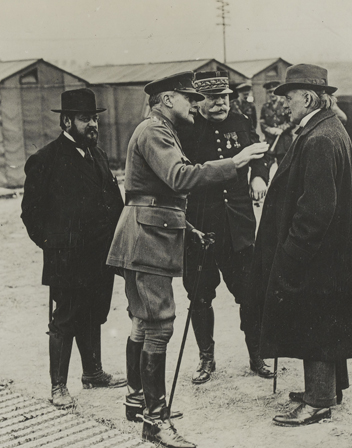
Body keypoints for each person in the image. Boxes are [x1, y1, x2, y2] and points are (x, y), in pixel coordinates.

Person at [106, 71, 268, 448]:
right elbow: (179, 178)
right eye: (189, 99)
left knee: (145, 323)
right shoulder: (155, 131)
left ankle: (138, 401)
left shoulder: (159, 129)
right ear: (166, 100)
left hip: (150, 233)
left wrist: (189, 226)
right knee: (159, 324)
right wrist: (237, 162)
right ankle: (156, 420)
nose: (196, 104)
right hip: (148, 238)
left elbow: (160, 191)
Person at [251, 64, 352, 427]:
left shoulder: (320, 137)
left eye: (288, 98)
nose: (284, 106)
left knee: (315, 321)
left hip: (316, 253)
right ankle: (326, 389)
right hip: (329, 252)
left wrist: (291, 254)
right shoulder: (327, 128)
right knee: (325, 319)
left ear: (307, 98)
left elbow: (316, 210)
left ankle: (318, 400)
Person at [21, 88, 127, 409]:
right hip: (67, 258)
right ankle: (58, 387)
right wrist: (55, 247)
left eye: (94, 118)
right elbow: (31, 214)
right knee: (65, 318)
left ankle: (93, 372)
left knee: (93, 313)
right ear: (66, 121)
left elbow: (112, 201)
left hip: (100, 255)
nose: (92, 124)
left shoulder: (98, 155)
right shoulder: (45, 160)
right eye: (85, 119)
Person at [175, 71, 274, 386]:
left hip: (239, 226)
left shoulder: (240, 121)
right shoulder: (186, 129)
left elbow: (259, 153)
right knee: (200, 295)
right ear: (198, 100)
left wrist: (259, 175)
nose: (220, 103)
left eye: (224, 96)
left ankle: (256, 355)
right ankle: (206, 358)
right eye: (212, 97)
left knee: (250, 292)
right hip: (201, 228)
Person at [260, 80, 296, 167]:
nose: (272, 94)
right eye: (269, 92)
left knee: (284, 168)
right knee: (266, 166)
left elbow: (293, 122)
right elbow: (262, 123)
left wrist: (283, 128)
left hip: (284, 143)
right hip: (270, 142)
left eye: (274, 91)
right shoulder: (265, 106)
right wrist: (270, 129)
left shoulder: (286, 104)